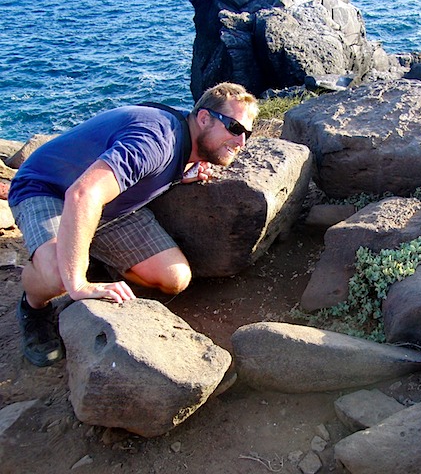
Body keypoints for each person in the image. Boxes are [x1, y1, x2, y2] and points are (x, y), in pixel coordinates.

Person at [8, 82, 259, 367]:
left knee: (174, 278)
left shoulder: (187, 143)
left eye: (247, 134)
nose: (241, 142)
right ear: (204, 118)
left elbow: (144, 171)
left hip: (111, 206)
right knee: (58, 275)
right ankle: (33, 306)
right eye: (235, 129)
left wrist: (182, 173)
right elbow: (82, 194)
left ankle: (89, 256)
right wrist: (77, 284)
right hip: (50, 190)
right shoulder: (156, 140)